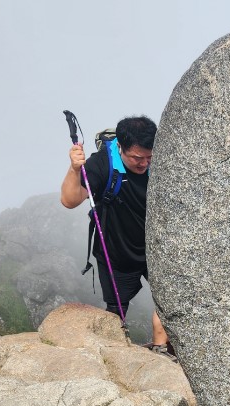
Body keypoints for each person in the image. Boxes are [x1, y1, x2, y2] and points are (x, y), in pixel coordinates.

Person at [60, 115, 171, 354]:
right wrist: (74, 169)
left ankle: (162, 350)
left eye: (149, 158)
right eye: (137, 158)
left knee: (173, 298)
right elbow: (70, 200)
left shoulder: (161, 159)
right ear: (120, 146)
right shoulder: (103, 164)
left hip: (158, 250)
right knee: (116, 311)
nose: (144, 164)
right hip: (116, 251)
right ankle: (118, 354)